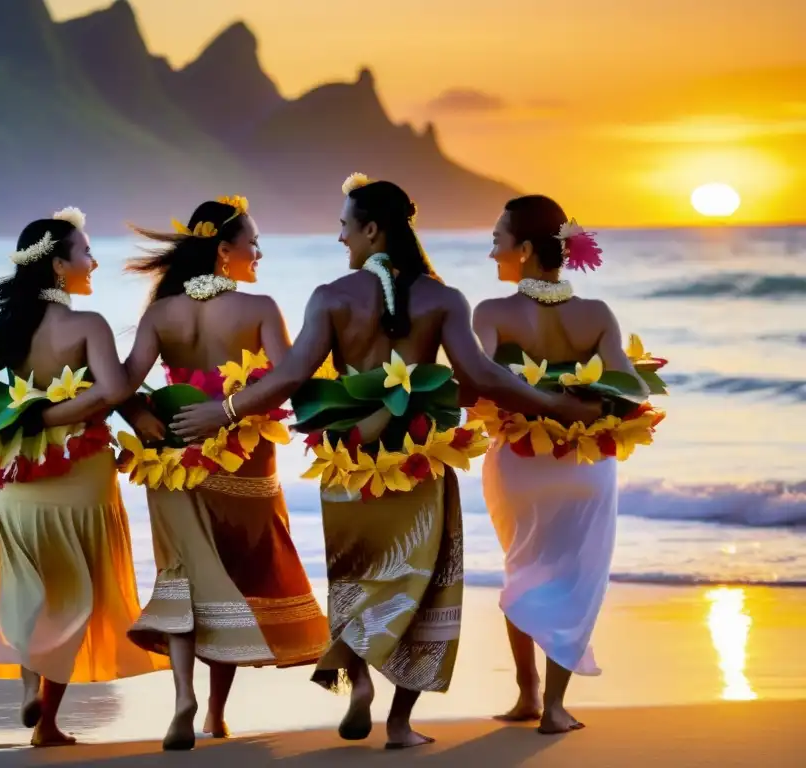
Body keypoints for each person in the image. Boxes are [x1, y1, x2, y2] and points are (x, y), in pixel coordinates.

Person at [171, 176, 600, 749]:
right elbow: (481, 377)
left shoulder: (330, 296)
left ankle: (359, 686)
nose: (339, 237)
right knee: (422, 590)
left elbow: (291, 376)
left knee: (355, 581)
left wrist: (222, 412)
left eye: (345, 226)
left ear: (372, 230)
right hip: (418, 466)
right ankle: (399, 724)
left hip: (349, 467)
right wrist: (552, 404)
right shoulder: (443, 298)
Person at [0, 208, 167, 748]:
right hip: (79, 474)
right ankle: (48, 725)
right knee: (74, 594)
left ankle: (27, 690)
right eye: (85, 252)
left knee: (29, 590)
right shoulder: (87, 325)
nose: (94, 260)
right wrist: (64, 413)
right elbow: (111, 390)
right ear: (59, 265)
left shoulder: (8, 328)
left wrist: (25, 417)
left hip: (18, 476)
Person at [117, 196, 330, 751]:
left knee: (185, 578)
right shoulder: (258, 308)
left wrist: (142, 419)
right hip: (245, 459)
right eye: (252, 242)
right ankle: (214, 712)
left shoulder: (161, 314)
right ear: (224, 249)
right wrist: (232, 410)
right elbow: (288, 381)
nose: (258, 252)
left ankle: (186, 697)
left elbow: (120, 383)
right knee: (231, 579)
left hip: (175, 461)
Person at [472, 194, 651, 734]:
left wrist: (536, 400)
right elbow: (631, 390)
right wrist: (571, 404)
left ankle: (526, 694)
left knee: (523, 569)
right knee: (573, 579)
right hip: (583, 463)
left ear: (526, 250)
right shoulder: (595, 314)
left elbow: (477, 378)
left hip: (519, 465)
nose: (492, 253)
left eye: (497, 241)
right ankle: (553, 706)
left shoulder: (492, 313)